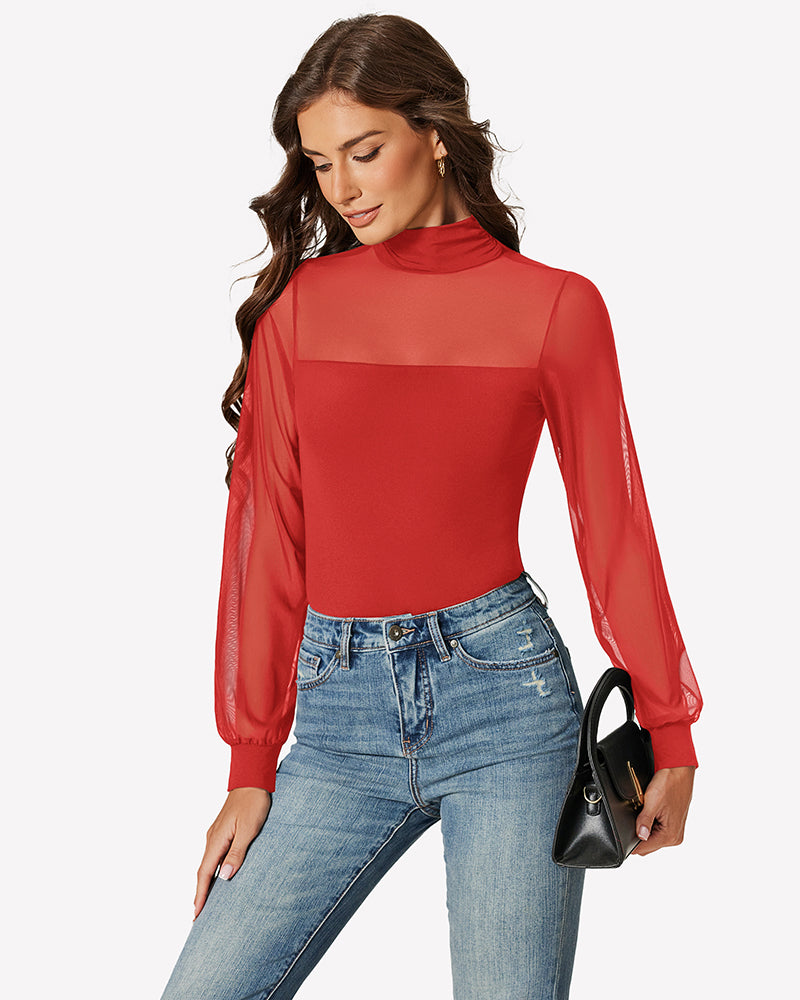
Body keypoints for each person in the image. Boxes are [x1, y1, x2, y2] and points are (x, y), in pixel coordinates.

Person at [159, 13, 702, 1000]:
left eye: (364, 151)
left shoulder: (557, 307)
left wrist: (670, 727)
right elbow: (265, 541)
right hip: (336, 718)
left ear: (436, 134)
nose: (341, 187)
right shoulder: (298, 311)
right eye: (320, 163)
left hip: (506, 705)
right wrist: (249, 761)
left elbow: (614, 525)